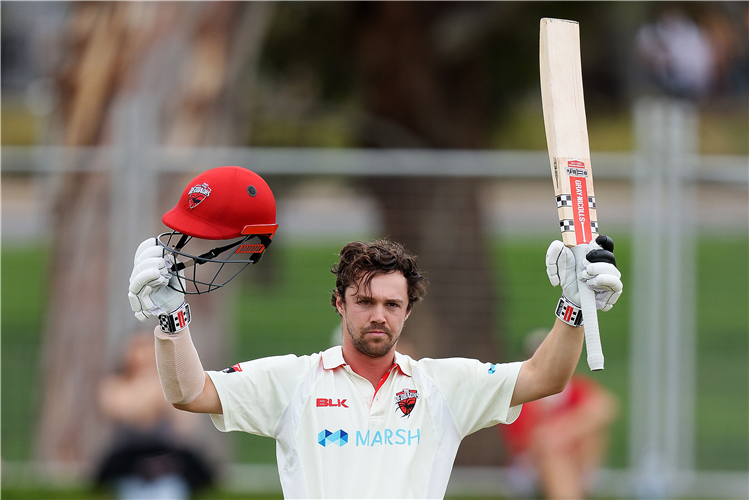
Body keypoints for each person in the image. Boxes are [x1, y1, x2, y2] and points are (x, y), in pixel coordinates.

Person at [126, 166, 623, 498]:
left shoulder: (441, 387)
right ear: (340, 304)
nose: (378, 315)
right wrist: (172, 320)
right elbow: (190, 392)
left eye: (392, 304)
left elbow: (546, 377)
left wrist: (574, 306)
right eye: (364, 302)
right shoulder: (294, 381)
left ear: (408, 313)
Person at [500, 329, 619, 500]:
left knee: (584, 434)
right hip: (530, 465)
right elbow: (527, 441)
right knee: (554, 455)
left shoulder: (573, 387)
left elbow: (605, 407)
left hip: (577, 459)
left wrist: (565, 429)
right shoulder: (521, 392)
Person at [95, 331, 214, 499]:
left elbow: (183, 425)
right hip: (129, 460)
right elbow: (125, 411)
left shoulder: (170, 383)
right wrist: (150, 384)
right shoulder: (115, 383)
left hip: (166, 460)